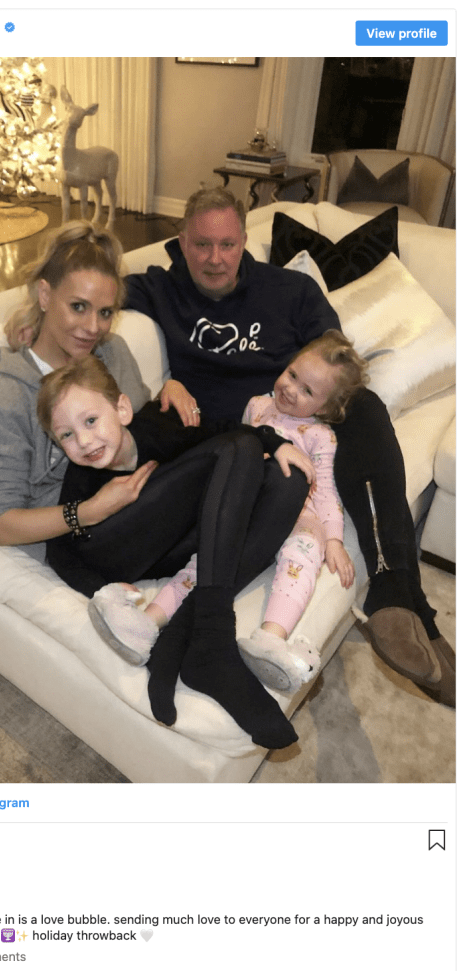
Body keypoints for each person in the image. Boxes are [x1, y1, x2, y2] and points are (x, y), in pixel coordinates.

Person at [123, 186, 455, 708]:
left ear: (243, 242)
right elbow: (89, 291)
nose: (215, 258)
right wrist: (161, 379)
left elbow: (336, 366)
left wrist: (305, 406)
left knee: (364, 405)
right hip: (236, 441)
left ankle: (394, 591)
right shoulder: (159, 289)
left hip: (303, 426)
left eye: (228, 244)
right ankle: (423, 622)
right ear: (182, 242)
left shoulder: (291, 290)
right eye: (202, 244)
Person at [35, 355, 317, 748]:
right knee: (239, 446)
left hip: (173, 547)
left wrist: (278, 443)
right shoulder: (82, 478)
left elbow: (222, 430)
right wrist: (100, 586)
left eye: (91, 421)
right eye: (66, 435)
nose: (83, 441)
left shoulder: (156, 424)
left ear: (122, 409)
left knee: (288, 479)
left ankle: (186, 631)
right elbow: (59, 551)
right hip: (116, 550)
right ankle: (213, 639)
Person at [88, 331, 364, 696]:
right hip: (250, 506)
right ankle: (146, 625)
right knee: (206, 562)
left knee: (301, 558)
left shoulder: (321, 436)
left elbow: (327, 491)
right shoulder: (256, 406)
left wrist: (334, 540)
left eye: (307, 391)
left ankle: (271, 638)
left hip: (301, 515)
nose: (290, 389)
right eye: (292, 374)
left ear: (325, 409)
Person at [0, 220, 152, 567]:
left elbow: (147, 429)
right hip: (91, 542)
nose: (93, 328)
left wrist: (171, 390)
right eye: (78, 307)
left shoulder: (113, 352)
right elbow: (2, 525)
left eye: (105, 313)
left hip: (151, 504)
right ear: (44, 296)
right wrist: (87, 512)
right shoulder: (10, 396)